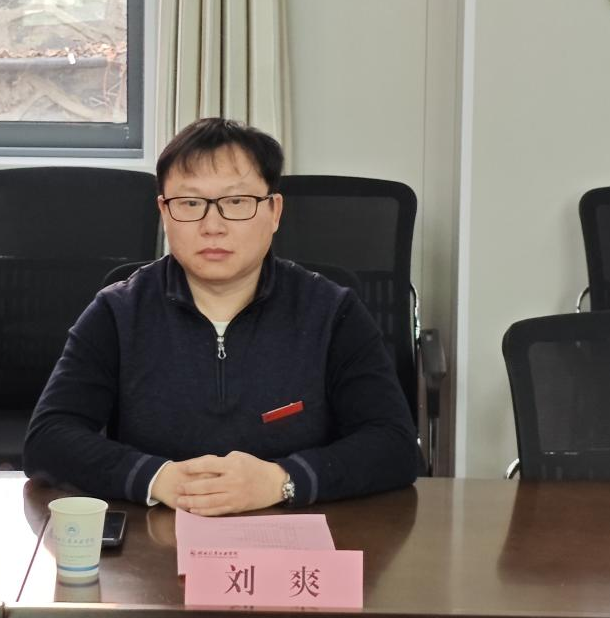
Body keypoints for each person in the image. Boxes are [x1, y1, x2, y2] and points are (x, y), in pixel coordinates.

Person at [23, 117, 420, 515]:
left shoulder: (332, 312)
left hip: (294, 530)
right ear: (164, 212)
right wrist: (158, 478)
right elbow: (48, 439)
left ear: (274, 211)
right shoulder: (118, 312)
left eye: (236, 203)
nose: (212, 226)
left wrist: (282, 480)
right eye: (190, 203)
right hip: (157, 532)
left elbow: (395, 444)